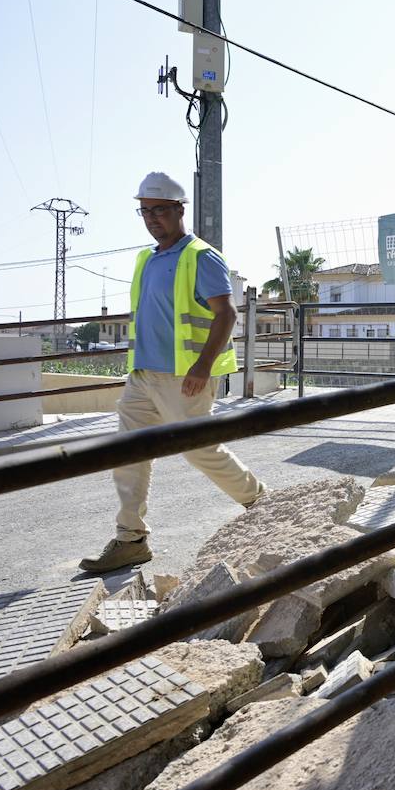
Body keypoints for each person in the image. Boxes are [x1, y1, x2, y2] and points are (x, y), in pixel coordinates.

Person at [79, 172, 265, 573]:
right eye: (144, 211)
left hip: (184, 378)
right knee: (128, 454)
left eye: (159, 210)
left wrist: (201, 366)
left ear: (180, 210)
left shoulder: (201, 256)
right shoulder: (146, 259)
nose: (151, 218)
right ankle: (131, 538)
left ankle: (260, 502)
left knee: (200, 449)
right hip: (143, 377)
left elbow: (226, 314)